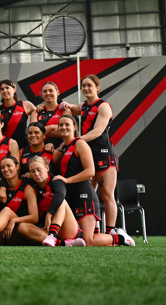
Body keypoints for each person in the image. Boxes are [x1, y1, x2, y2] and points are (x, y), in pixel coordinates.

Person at [52, 115, 134, 247]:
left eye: (67, 124)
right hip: (72, 196)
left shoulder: (80, 144)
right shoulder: (63, 148)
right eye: (60, 125)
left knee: (89, 241)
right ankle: (111, 241)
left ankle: (120, 238)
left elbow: (90, 172)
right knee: (81, 239)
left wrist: (67, 180)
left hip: (85, 196)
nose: (63, 127)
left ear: (74, 127)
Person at [60, 75, 119, 235]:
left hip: (104, 154)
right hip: (88, 154)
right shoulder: (84, 106)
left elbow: (98, 131)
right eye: (83, 86)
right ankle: (91, 230)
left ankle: (111, 232)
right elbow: (72, 108)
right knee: (88, 193)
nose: (86, 88)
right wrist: (65, 104)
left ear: (97, 87)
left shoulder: (103, 106)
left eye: (89, 86)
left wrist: (74, 141)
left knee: (107, 194)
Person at [16, 156, 85, 247]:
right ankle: (64, 244)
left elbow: (60, 194)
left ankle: (52, 236)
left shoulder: (55, 181)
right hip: (46, 228)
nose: (36, 174)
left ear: (47, 168)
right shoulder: (31, 183)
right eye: (32, 171)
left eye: (39, 170)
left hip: (68, 228)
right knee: (21, 227)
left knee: (61, 201)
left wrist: (50, 214)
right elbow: (13, 178)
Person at [0, 79, 37, 149]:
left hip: (24, 147)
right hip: (6, 148)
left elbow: (37, 117)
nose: (5, 91)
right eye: (2, 89)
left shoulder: (26, 105)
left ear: (14, 89)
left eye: (7, 88)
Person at [36, 81, 70, 147]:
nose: (48, 93)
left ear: (57, 92)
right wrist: (54, 128)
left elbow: (65, 132)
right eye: (45, 91)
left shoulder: (65, 110)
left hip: (61, 148)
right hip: (41, 149)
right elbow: (33, 132)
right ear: (42, 95)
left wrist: (41, 130)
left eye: (51, 90)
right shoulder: (37, 111)